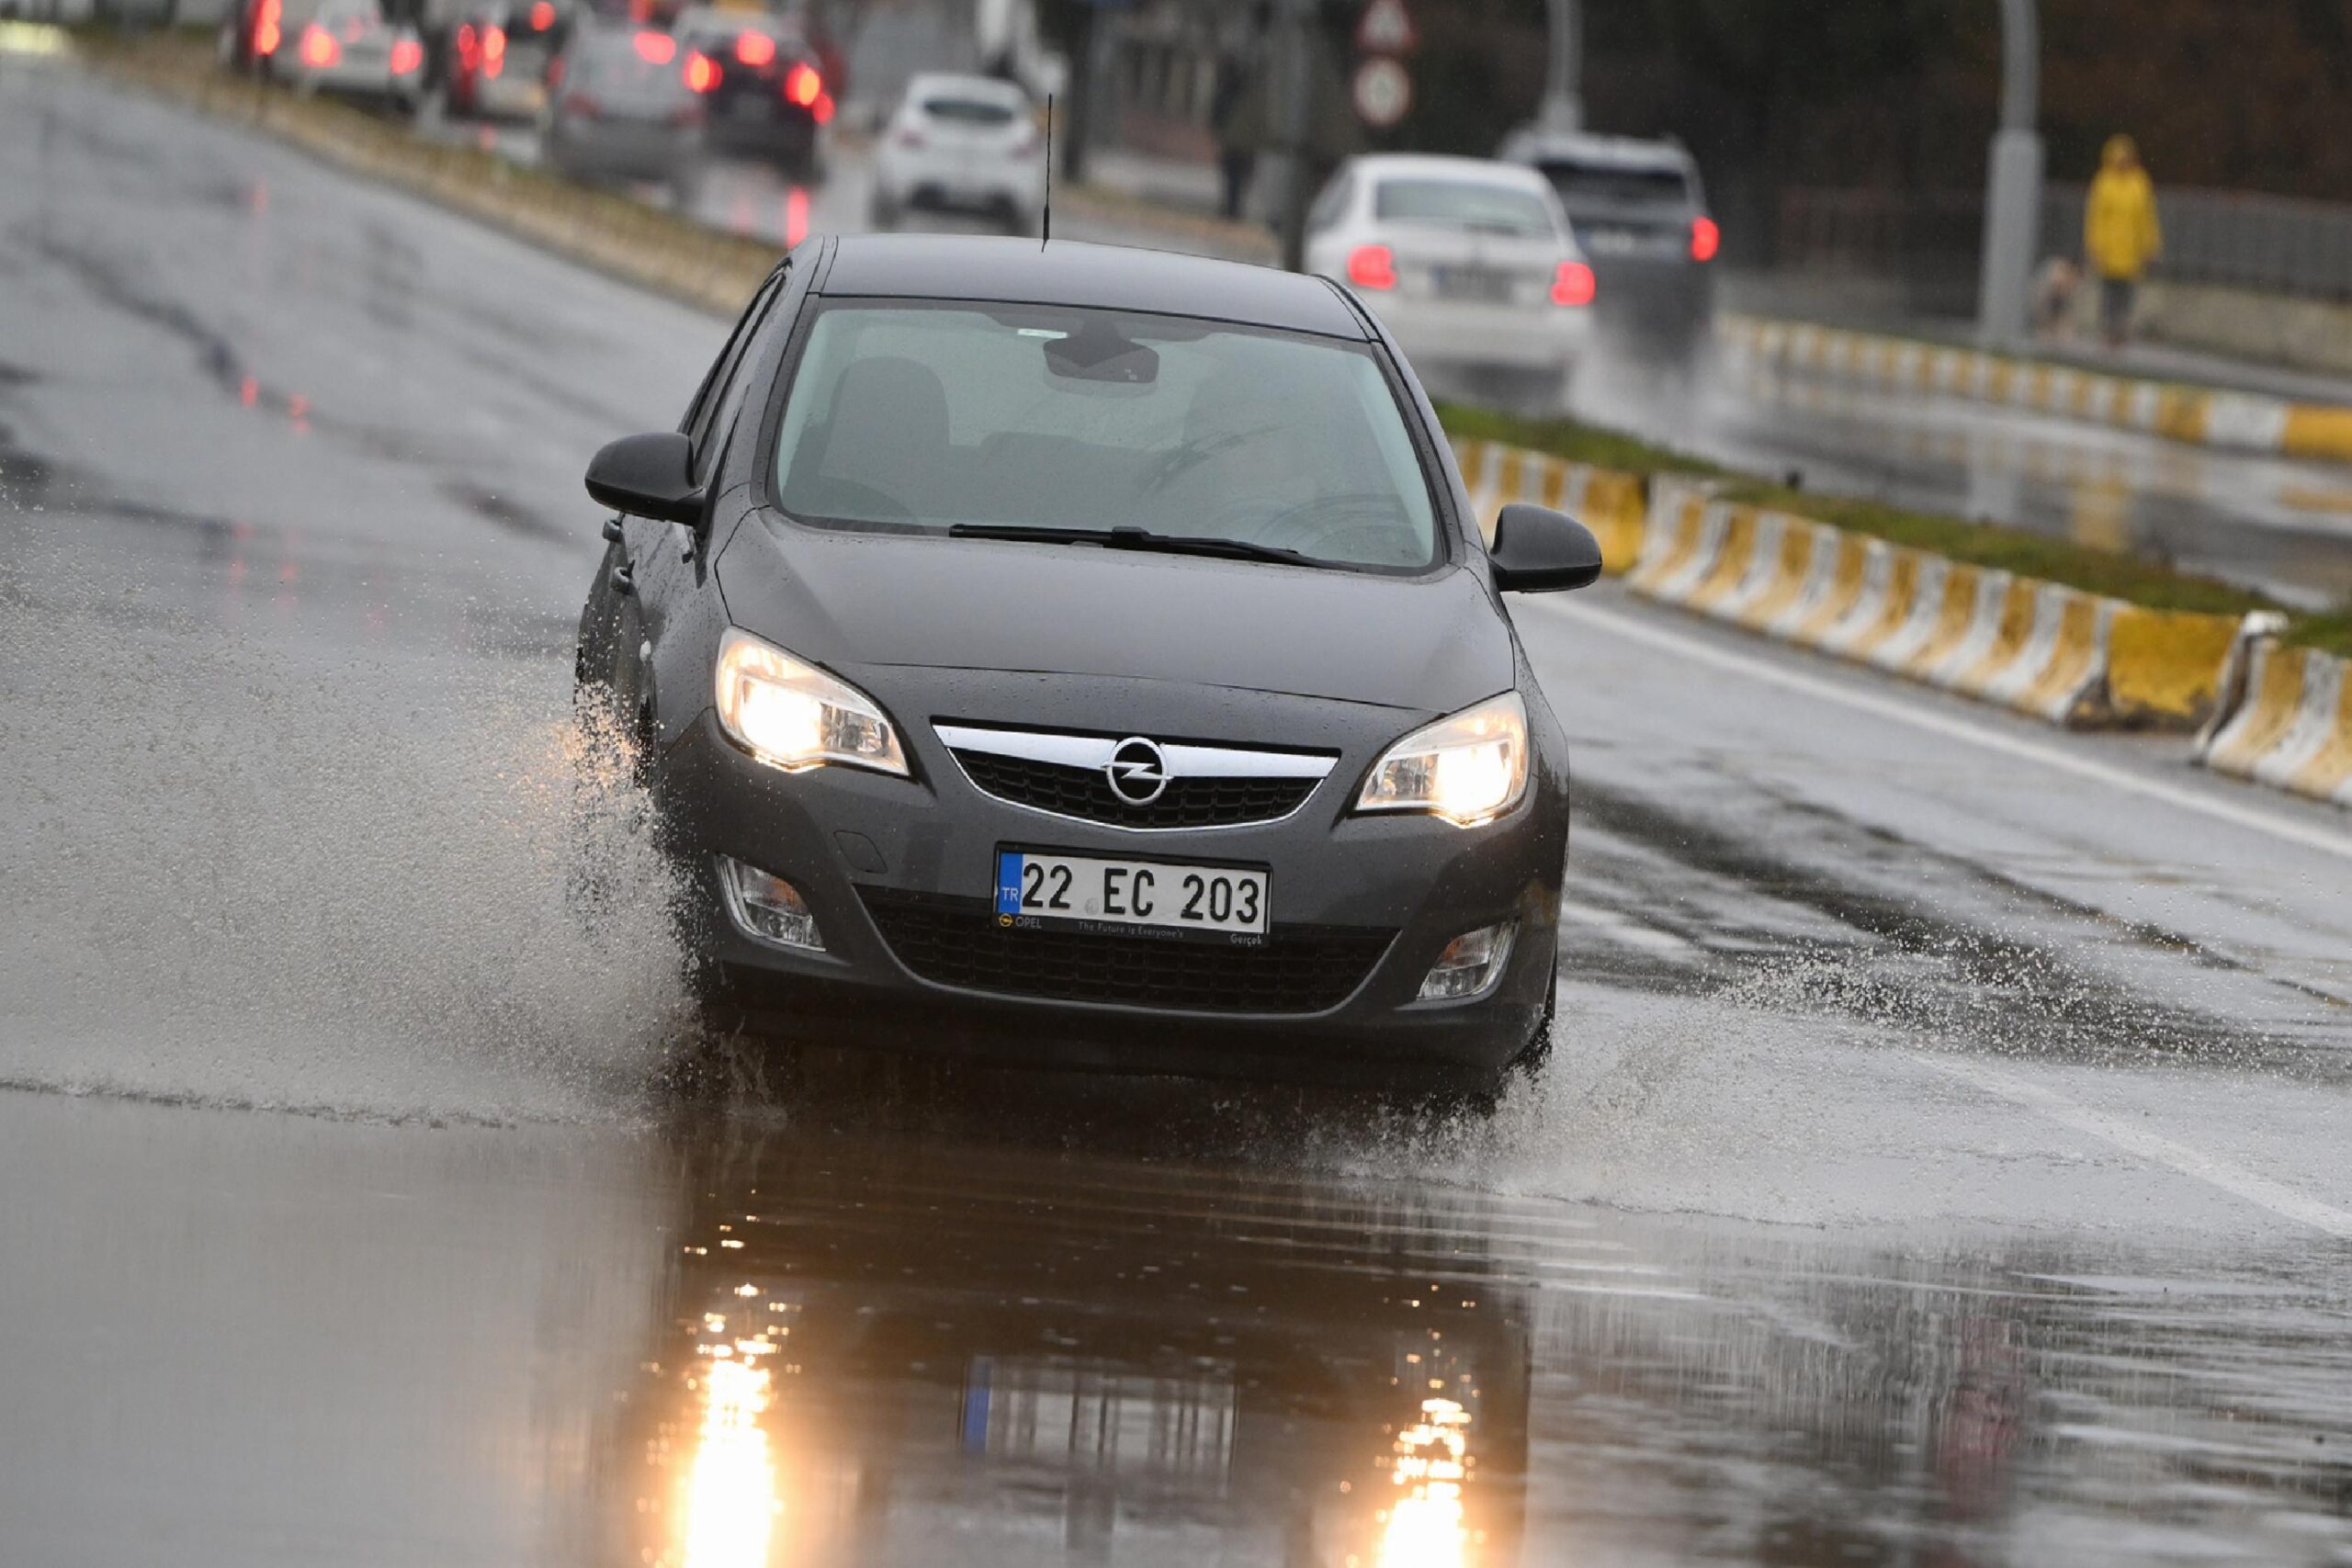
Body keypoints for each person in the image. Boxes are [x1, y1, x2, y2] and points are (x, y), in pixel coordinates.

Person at [2083, 134, 2162, 349]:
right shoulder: (2103, 182)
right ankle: (2107, 331)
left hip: (2132, 252)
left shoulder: (2140, 182)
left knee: (2127, 294)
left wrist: (2150, 246)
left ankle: (2120, 331)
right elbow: (2096, 217)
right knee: (2109, 292)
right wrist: (2094, 247)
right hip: (2109, 251)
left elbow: (2147, 217)